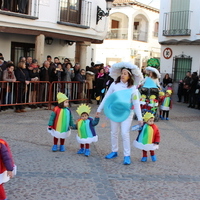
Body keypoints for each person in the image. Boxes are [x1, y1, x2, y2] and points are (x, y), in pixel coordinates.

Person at [96, 62, 144, 165]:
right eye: (122, 73)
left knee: (124, 133)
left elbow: (136, 103)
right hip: (115, 112)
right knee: (114, 132)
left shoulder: (133, 89)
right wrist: (99, 110)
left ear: (129, 76)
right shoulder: (114, 84)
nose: (123, 75)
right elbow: (107, 97)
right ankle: (114, 151)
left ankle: (127, 155)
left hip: (127, 113)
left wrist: (140, 118)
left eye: (125, 73)